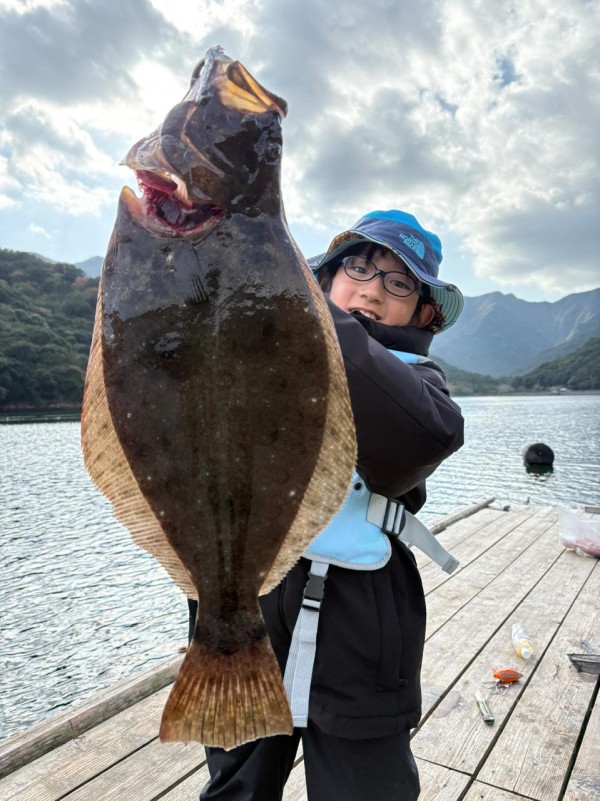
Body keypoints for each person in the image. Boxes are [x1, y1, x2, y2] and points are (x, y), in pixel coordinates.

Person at [191, 209, 465, 800]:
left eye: (398, 282)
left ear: (423, 313)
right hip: (252, 587)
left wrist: (309, 310)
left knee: (363, 782)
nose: (369, 287)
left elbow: (423, 438)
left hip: (360, 606)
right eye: (357, 267)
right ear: (327, 278)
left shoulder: (422, 386)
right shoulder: (261, 357)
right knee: (238, 771)